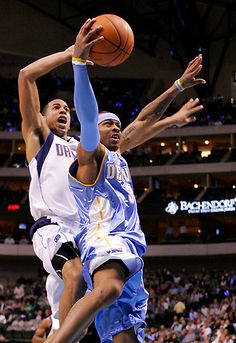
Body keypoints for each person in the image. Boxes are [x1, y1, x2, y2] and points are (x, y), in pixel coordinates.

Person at [45, 18, 205, 343]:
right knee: (109, 287)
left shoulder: (118, 154)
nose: (116, 127)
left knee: (126, 335)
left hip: (129, 246)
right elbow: (89, 120)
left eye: (119, 124)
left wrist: (178, 87)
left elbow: (144, 119)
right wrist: (78, 64)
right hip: (104, 239)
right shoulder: (90, 156)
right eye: (109, 124)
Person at [18, 44, 94, 325]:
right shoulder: (40, 138)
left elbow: (124, 139)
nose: (64, 110)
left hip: (83, 232)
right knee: (74, 274)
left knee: (80, 320)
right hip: (52, 228)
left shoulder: (81, 147)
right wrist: (71, 54)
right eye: (56, 107)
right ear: (43, 116)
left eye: (67, 109)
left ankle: (57, 325)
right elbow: (26, 75)